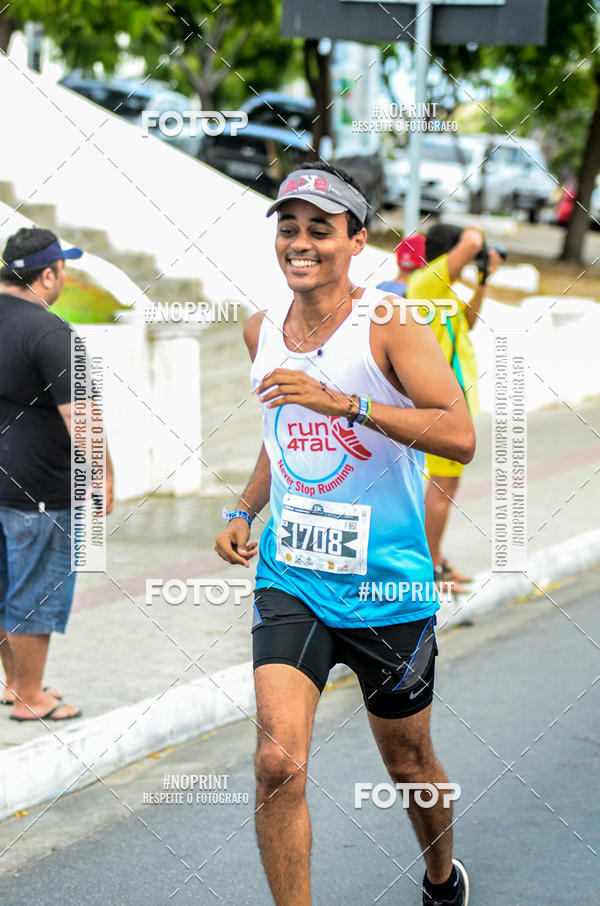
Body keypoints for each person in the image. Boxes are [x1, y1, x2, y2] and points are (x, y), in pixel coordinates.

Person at [215, 162, 475, 906]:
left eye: (320, 229)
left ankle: (439, 877)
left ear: (356, 241)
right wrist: (244, 509)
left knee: (409, 763)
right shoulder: (262, 330)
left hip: (387, 584)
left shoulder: (390, 325)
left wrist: (344, 403)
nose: (301, 243)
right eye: (288, 227)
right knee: (275, 762)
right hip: (292, 574)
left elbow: (457, 435)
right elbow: (280, 430)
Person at [0, 227, 114, 722]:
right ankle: (30, 696)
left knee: (6, 588)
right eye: (61, 269)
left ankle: (15, 684)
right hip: (40, 491)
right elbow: (83, 419)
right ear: (48, 275)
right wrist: (103, 478)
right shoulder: (55, 333)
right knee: (35, 592)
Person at [406, 224, 501, 593]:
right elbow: (475, 237)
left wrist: (483, 279)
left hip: (450, 400)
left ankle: (435, 560)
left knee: (443, 484)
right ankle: (429, 570)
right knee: (443, 487)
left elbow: (469, 321)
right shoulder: (428, 281)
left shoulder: (440, 291)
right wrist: (475, 239)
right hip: (438, 403)